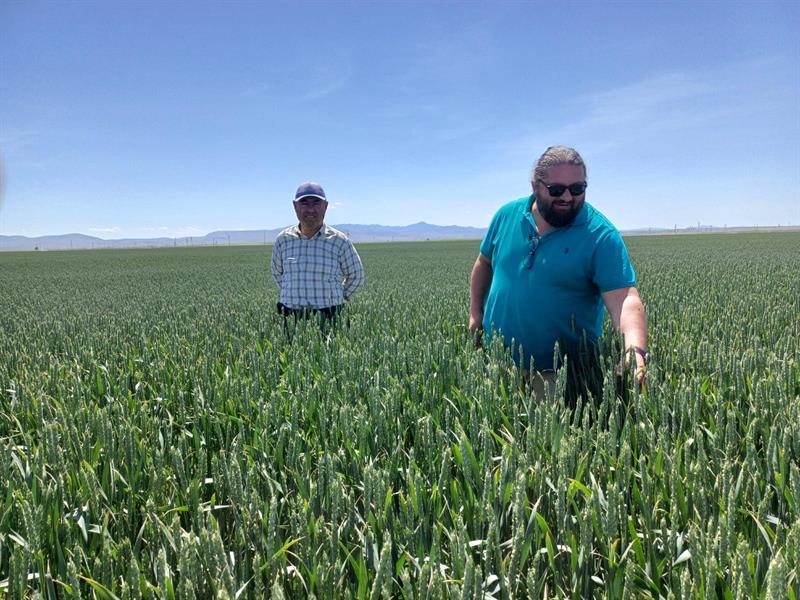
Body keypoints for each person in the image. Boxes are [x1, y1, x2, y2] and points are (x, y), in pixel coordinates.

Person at [469, 146, 648, 405]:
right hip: (496, 359)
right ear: (535, 186)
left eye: (577, 189)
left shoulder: (600, 235)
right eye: (556, 190)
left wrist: (635, 349)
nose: (567, 197)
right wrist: (475, 312)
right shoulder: (506, 216)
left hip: (560, 373)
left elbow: (624, 298)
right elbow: (484, 263)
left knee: (548, 431)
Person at [271, 182, 364, 326]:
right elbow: (277, 273)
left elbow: (357, 275)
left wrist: (340, 298)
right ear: (295, 206)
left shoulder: (339, 241)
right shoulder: (283, 239)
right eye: (304, 203)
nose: (310, 209)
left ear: (325, 206)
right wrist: (291, 294)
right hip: (289, 315)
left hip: (329, 315)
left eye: (316, 203)